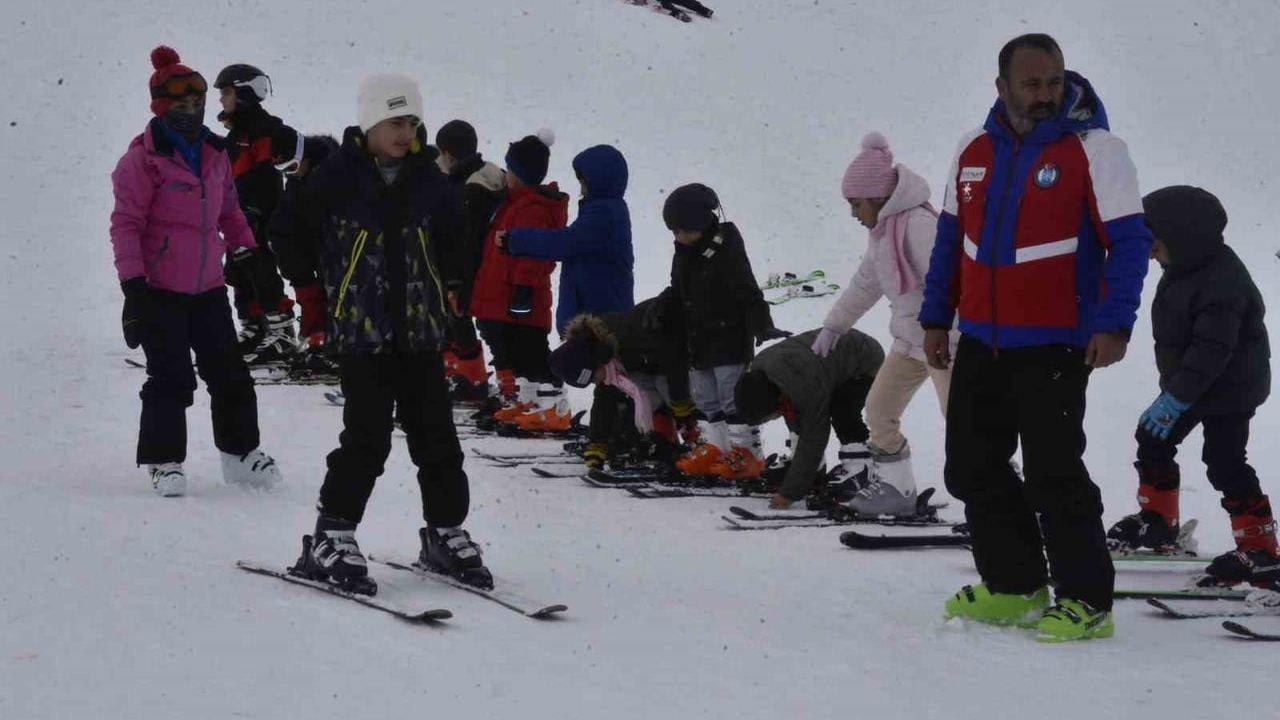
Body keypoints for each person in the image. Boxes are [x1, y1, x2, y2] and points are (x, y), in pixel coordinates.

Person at [919, 33, 1152, 641]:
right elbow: (950, 242)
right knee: (971, 467)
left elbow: (1128, 244)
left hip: (1055, 341)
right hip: (981, 340)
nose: (1046, 94)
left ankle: (1087, 601)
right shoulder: (972, 150)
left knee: (1054, 473)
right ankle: (1017, 586)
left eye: (1053, 81)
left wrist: (1113, 323)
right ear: (1002, 88)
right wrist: (935, 318)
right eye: (1031, 83)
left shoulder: (1096, 149)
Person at [269, 72, 489, 593]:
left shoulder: (427, 178)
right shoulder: (336, 175)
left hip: (420, 332)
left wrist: (454, 286)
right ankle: (332, 535)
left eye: (411, 121)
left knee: (437, 435)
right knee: (366, 437)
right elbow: (287, 231)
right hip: (362, 334)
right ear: (370, 122)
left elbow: (456, 237)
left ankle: (445, 530)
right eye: (395, 121)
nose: (405, 131)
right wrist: (315, 291)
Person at [110, 46, 283, 497]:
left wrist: (249, 250)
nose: (190, 111)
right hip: (161, 289)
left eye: (196, 104)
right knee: (171, 376)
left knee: (229, 372)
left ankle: (241, 454)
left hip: (206, 288)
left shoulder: (214, 153)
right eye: (179, 105)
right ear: (160, 108)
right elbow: (126, 225)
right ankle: (163, 460)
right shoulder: (141, 162)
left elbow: (229, 209)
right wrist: (133, 286)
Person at [1106, 186, 1276, 588]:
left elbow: (1212, 351)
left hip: (1230, 389)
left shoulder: (1222, 283)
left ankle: (1260, 549)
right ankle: (1159, 521)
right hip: (1193, 384)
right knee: (1152, 438)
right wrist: (1176, 394)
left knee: (1224, 460)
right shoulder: (1185, 269)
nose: (1150, 254)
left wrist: (1176, 398)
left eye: (1156, 245)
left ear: (1185, 241)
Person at [811, 131, 954, 515]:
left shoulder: (920, 226)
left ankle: (1001, 502)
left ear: (877, 197)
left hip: (946, 345)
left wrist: (952, 338)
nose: (853, 213)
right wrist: (834, 326)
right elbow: (865, 284)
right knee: (878, 410)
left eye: (856, 203)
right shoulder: (883, 233)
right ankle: (897, 489)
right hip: (909, 342)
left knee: (966, 426)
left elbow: (951, 283)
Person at [653, 183, 787, 482]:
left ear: (702, 222)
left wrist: (762, 325)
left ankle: (747, 453)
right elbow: (679, 291)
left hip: (728, 342)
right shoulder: (684, 252)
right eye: (674, 231)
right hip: (698, 343)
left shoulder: (726, 250)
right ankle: (715, 448)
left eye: (684, 230)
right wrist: (664, 309)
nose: (679, 237)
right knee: (705, 400)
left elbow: (748, 291)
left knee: (732, 399)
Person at [497, 143, 636, 430]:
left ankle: (619, 432)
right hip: (595, 307)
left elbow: (565, 243)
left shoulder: (605, 213)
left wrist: (516, 240)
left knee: (609, 375)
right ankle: (609, 432)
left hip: (604, 310)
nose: (581, 187)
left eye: (583, 181)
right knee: (604, 375)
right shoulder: (598, 210)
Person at [469, 130, 570, 431]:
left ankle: (555, 405)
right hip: (503, 297)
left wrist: (524, 289)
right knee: (514, 352)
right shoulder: (514, 203)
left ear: (520, 174)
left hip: (521, 298)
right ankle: (528, 401)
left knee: (532, 354)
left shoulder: (532, 208)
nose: (507, 175)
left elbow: (532, 255)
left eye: (510, 170)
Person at [213, 63, 304, 363]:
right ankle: (254, 327)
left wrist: (256, 210)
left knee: (259, 266)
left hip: (259, 214)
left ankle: (281, 329)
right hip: (236, 214)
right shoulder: (236, 133)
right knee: (238, 270)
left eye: (226, 92)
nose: (221, 99)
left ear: (244, 92)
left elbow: (268, 174)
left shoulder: (263, 130)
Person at [736, 329, 885, 508]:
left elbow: (814, 436)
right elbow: (792, 411)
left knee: (843, 411)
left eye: (767, 418)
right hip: (824, 361)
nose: (771, 420)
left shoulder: (802, 387)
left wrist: (789, 494)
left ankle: (860, 467)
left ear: (772, 404)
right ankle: (812, 469)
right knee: (800, 411)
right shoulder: (765, 376)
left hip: (863, 357)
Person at [548, 297, 696, 469]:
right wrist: (597, 443)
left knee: (670, 392)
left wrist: (681, 402)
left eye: (592, 376)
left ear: (596, 360)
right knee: (640, 392)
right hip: (658, 365)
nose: (596, 381)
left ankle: (703, 439)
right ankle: (663, 437)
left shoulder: (627, 336)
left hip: (686, 350)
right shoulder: (606, 358)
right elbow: (604, 400)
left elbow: (675, 360)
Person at [435, 120, 507, 402]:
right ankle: (458, 372)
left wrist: (455, 281)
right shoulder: (490, 178)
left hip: (465, 271)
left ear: (449, 154)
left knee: (458, 320)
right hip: (487, 268)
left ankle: (470, 377)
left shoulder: (467, 192)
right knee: (457, 322)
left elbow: (463, 243)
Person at [269, 134, 339, 357]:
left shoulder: (335, 174)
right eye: (285, 170)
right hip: (311, 248)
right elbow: (284, 223)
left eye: (293, 166)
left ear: (306, 158)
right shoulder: (297, 183)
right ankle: (314, 331)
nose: (291, 173)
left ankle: (339, 334)